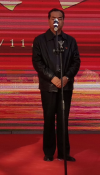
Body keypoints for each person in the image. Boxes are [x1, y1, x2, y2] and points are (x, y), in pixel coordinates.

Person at [32, 8, 81, 162]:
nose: (56, 21)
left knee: (63, 119)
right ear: (48, 20)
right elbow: (37, 62)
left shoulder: (70, 41)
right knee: (48, 119)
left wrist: (66, 77)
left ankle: (64, 153)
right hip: (48, 86)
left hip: (66, 86)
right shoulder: (40, 40)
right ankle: (48, 152)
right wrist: (52, 78)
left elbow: (76, 61)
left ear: (63, 21)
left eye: (59, 18)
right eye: (53, 18)